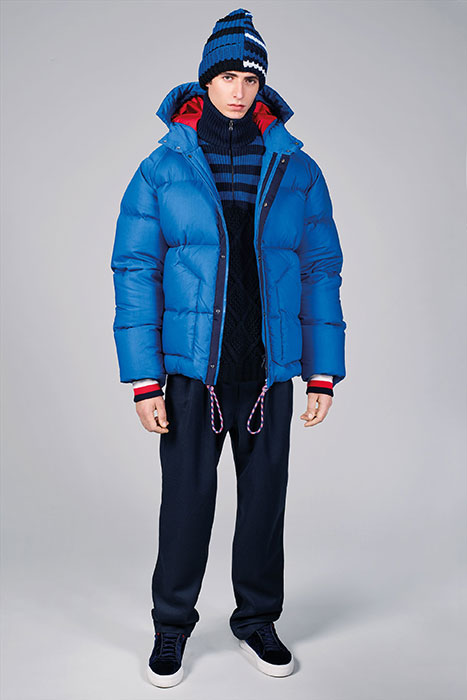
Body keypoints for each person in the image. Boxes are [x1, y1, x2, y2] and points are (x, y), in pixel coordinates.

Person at [110, 7, 346, 688]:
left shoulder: (297, 169)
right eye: (226, 77)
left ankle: (257, 621)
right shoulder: (162, 168)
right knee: (185, 503)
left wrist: (321, 372)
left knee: (265, 504)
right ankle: (170, 627)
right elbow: (136, 270)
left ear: (262, 85)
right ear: (204, 81)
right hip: (193, 374)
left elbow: (318, 269)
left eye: (250, 78)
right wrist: (144, 381)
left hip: (268, 372)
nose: (238, 91)